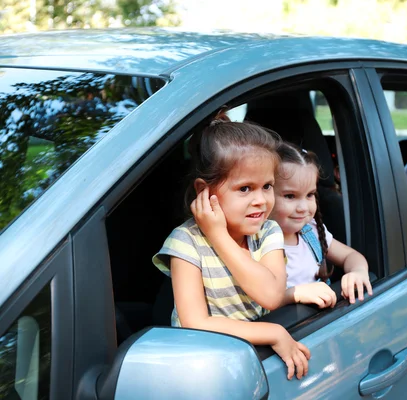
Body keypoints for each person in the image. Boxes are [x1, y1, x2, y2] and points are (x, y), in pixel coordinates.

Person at [152, 110, 310, 380]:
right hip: (203, 368)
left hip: (249, 363)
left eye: (267, 186)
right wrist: (218, 235)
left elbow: (270, 295)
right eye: (245, 188)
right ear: (205, 190)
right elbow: (196, 323)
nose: (261, 200)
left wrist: (295, 294)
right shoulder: (186, 242)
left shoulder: (267, 231)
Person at [271, 142, 373, 309]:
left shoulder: (310, 231)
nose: (303, 207)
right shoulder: (257, 244)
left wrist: (357, 272)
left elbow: (351, 256)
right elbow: (260, 302)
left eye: (310, 194)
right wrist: (294, 294)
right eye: (290, 196)